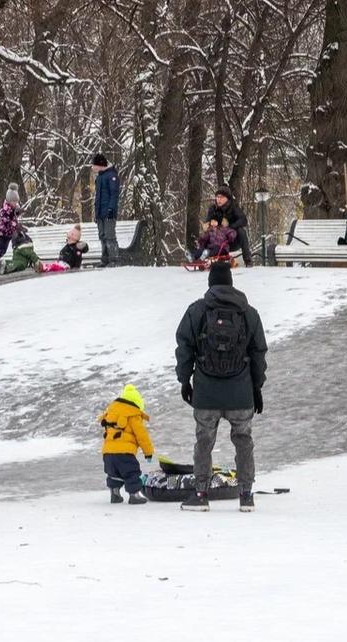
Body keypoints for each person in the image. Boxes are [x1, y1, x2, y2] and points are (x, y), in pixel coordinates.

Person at [174, 261, 268, 512]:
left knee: (204, 442)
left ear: (210, 283)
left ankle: (200, 494)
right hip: (241, 393)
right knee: (244, 441)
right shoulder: (248, 313)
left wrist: (184, 380)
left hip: (206, 392)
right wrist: (257, 388)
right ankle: (246, 495)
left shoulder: (197, 311)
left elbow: (184, 347)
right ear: (231, 282)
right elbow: (258, 352)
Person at [99, 383, 154, 505]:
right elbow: (142, 436)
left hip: (107, 453)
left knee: (113, 474)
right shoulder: (133, 414)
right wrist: (148, 452)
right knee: (131, 472)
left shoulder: (111, 412)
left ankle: (115, 494)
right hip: (124, 453)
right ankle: (134, 495)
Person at [205, 187, 252, 266]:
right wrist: (211, 225)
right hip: (218, 240)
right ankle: (200, 256)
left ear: (227, 198)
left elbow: (243, 220)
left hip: (232, 240)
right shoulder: (213, 209)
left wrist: (230, 227)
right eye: (217, 197)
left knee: (241, 231)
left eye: (222, 197)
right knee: (207, 236)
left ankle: (248, 260)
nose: (219, 199)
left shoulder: (234, 207)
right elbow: (208, 223)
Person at [92, 154, 120, 267]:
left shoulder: (111, 176)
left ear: (100, 165)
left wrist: (111, 209)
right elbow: (98, 197)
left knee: (110, 236)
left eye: (94, 165)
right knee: (102, 236)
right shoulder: (99, 177)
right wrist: (96, 213)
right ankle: (105, 260)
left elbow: (114, 194)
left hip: (108, 212)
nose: (93, 167)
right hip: (100, 212)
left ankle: (114, 260)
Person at [0, 184, 23, 266]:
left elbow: (13, 217)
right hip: (3, 233)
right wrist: (15, 225)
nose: (15, 203)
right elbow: (6, 221)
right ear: (9, 201)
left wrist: (18, 213)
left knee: (3, 250)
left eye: (16, 202)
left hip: (9, 233)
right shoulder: (5, 210)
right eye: (14, 201)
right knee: (0, 249)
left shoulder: (12, 209)